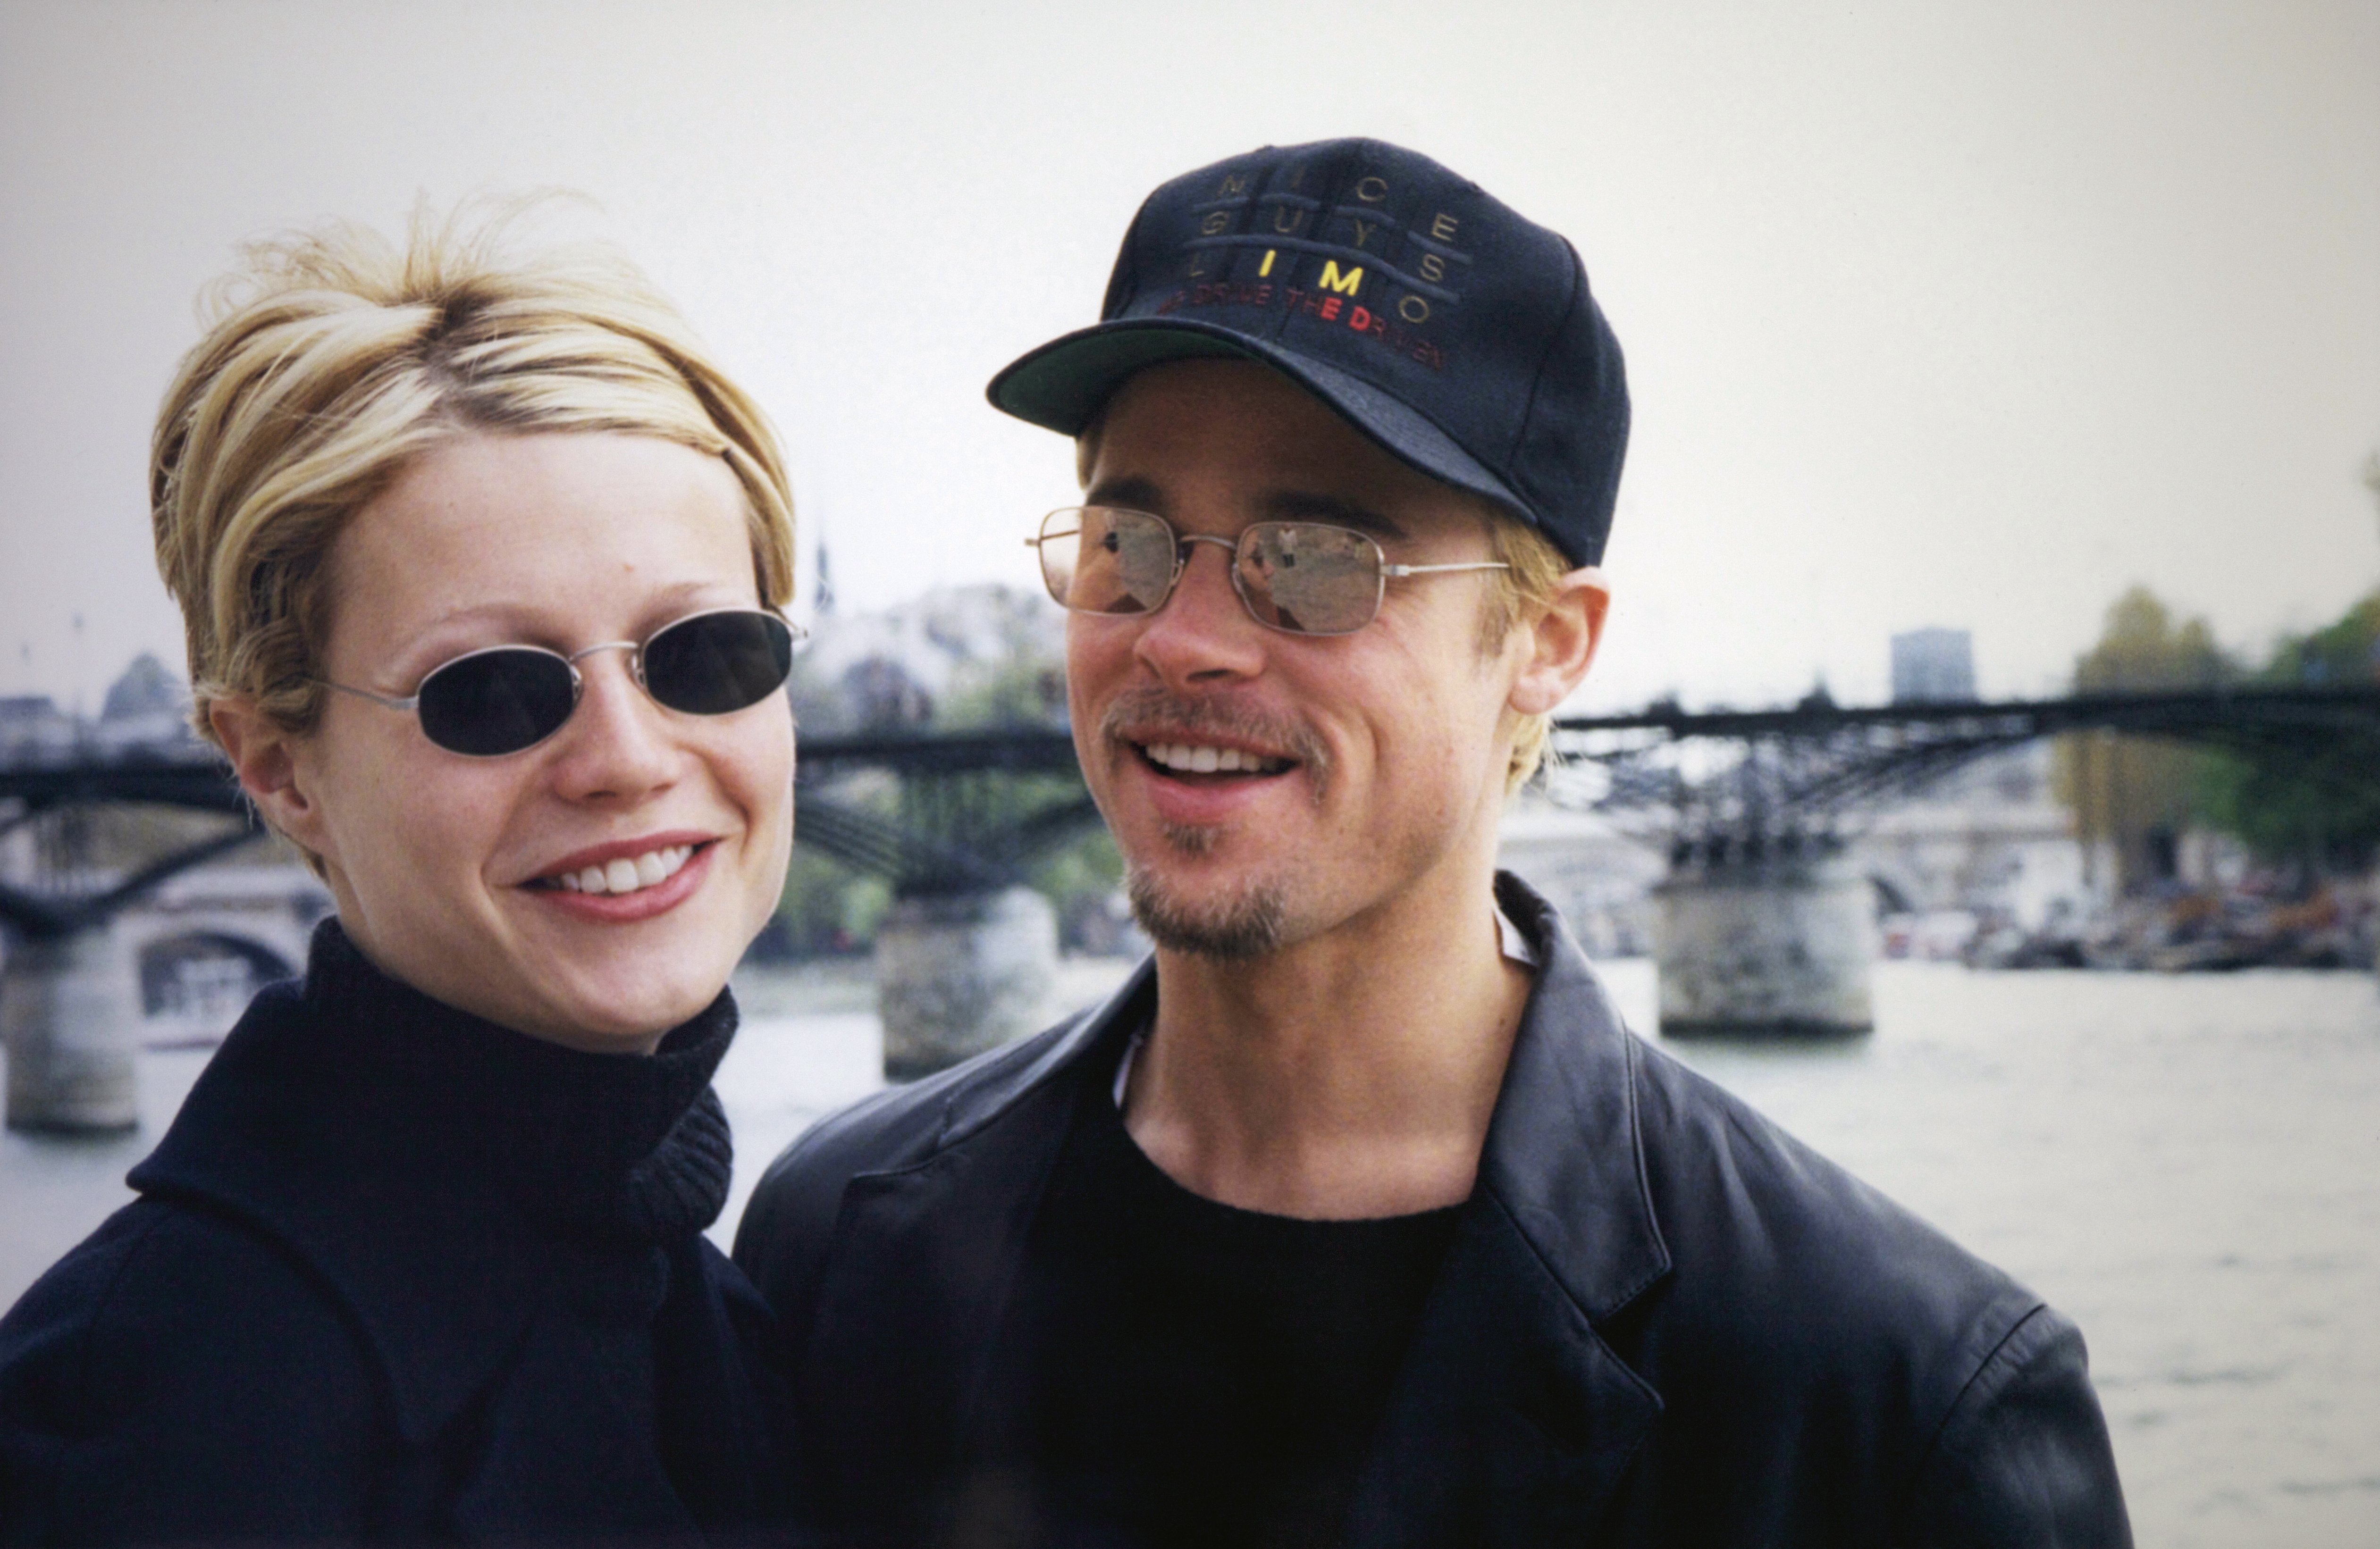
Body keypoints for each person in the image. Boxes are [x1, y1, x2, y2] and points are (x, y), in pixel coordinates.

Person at [735, 139, 2131, 1547]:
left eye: (1316, 556)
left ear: (1543, 643)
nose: (1181, 637)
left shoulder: (1899, 1407)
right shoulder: (831, 1254)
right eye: (1130, 540)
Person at [0, 206, 803, 1543]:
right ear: (274, 764)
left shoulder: (714, 1311)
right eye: (488, 691)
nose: (624, 758)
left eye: (700, 653)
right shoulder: (146, 1413)